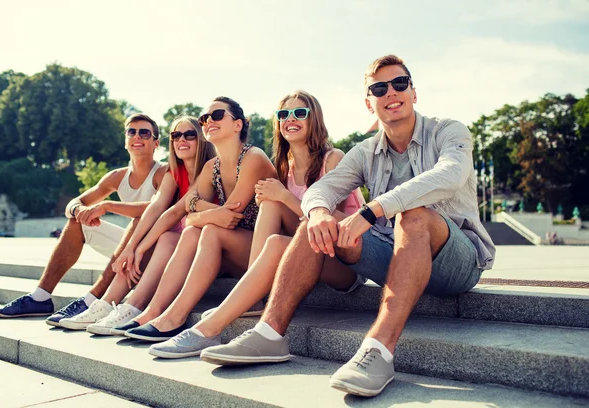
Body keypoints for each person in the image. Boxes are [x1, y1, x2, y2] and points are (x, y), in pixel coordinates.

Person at [199, 55, 496, 398]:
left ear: (414, 92)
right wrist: (320, 212)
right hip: (391, 253)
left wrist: (373, 210)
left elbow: (451, 174)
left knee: (413, 214)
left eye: (400, 83)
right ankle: (269, 333)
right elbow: (324, 189)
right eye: (379, 88)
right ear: (369, 103)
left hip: (455, 261)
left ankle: (378, 351)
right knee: (317, 223)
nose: (391, 92)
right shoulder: (366, 151)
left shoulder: (448, 130)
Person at [148, 90, 366, 358]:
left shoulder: (333, 159)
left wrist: (284, 196)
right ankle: (179, 314)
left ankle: (226, 315)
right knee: (225, 229)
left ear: (314, 119)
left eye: (300, 113)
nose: (290, 119)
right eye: (283, 114)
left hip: (345, 261)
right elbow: (185, 211)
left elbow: (333, 227)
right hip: (303, 252)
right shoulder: (283, 166)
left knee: (274, 206)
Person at [117, 96, 276, 342]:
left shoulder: (253, 157)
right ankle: (154, 311)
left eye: (217, 115)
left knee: (208, 230)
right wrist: (206, 213)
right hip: (236, 253)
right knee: (193, 231)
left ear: (238, 125)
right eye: (205, 118)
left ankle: (175, 318)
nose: (209, 121)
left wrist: (199, 211)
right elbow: (187, 213)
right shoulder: (212, 165)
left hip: (263, 256)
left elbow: (231, 215)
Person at [0, 114, 167, 327]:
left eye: (145, 133)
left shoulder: (163, 172)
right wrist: (80, 211)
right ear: (125, 140)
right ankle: (40, 297)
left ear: (156, 143)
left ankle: (92, 300)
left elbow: (157, 209)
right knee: (76, 223)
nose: (137, 136)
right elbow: (75, 203)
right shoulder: (116, 177)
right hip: (129, 248)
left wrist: (107, 206)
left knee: (138, 220)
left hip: (159, 252)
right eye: (132, 131)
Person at [57, 116, 215, 331]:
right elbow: (157, 207)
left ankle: (134, 305)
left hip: (208, 244)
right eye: (176, 135)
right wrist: (131, 249)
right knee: (159, 237)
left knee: (167, 235)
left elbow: (172, 213)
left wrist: (134, 244)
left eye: (189, 135)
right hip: (179, 240)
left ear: (202, 140)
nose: (181, 140)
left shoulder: (209, 168)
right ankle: (106, 304)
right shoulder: (173, 172)